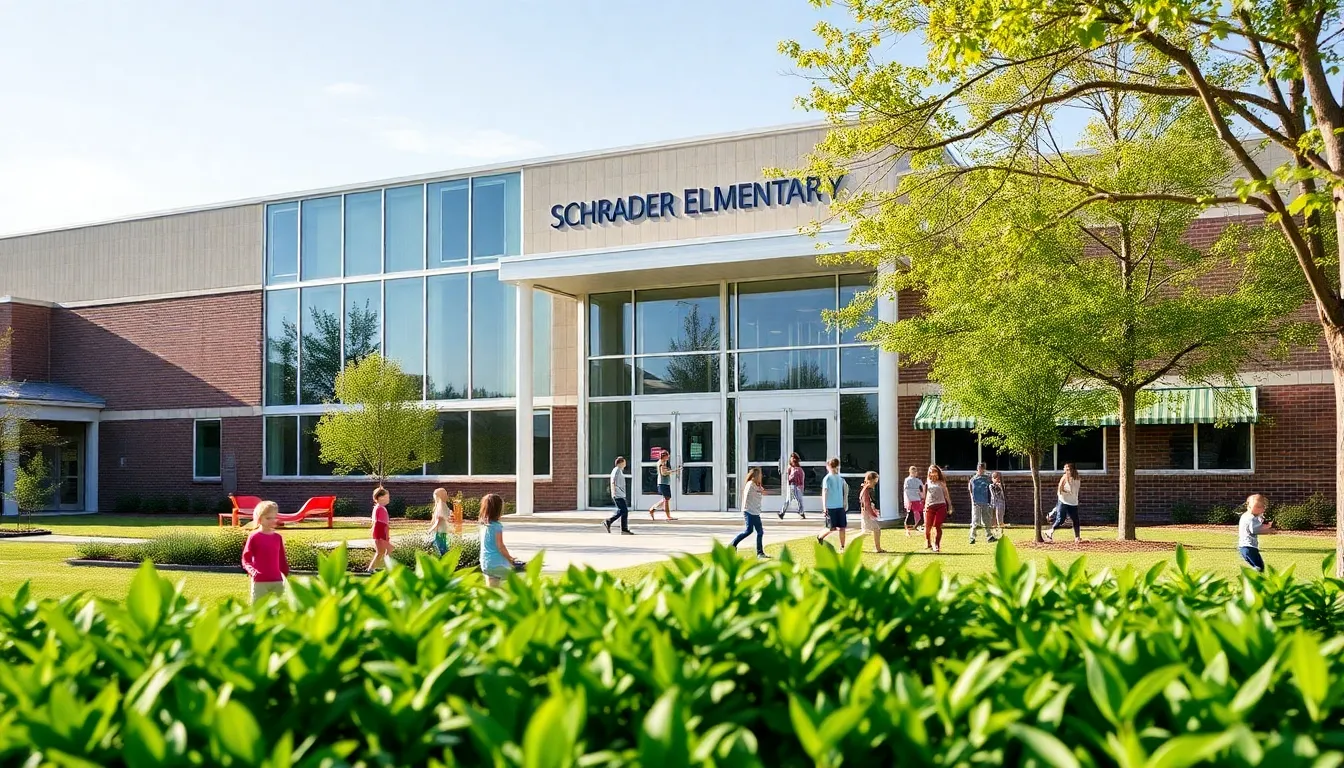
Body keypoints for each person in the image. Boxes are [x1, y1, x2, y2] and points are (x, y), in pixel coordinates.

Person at [241, 500, 288, 603]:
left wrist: (286, 575)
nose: (272, 520)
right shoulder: (254, 536)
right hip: (260, 581)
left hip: (277, 582)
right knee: (258, 612)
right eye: (268, 518)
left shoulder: (277, 537)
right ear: (259, 519)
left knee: (278, 612)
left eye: (274, 517)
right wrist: (253, 572)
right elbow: (246, 559)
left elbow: (282, 559)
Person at [480, 493, 522, 587]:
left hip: (485, 564)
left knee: (493, 590)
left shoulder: (484, 526)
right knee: (519, 582)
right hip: (497, 564)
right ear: (498, 510)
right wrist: (510, 558)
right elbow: (500, 546)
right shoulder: (497, 527)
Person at [731, 467, 770, 559]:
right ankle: (732, 545)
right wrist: (759, 490)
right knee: (749, 531)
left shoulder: (757, 485)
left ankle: (760, 553)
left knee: (760, 532)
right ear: (756, 476)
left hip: (756, 512)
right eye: (760, 475)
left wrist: (760, 489)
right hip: (749, 511)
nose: (761, 476)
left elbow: (763, 492)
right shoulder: (750, 484)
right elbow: (746, 494)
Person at [1045, 463, 1082, 543]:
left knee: (1076, 520)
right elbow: (1060, 490)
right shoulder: (1064, 477)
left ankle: (1077, 537)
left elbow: (1075, 490)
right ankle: (1050, 531)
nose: (1067, 471)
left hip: (1073, 502)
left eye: (1068, 469)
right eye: (1066, 470)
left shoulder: (1077, 478)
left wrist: (1072, 494)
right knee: (1061, 519)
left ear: (1073, 470)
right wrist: (1068, 492)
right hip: (1064, 500)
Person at [817, 458, 848, 549]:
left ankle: (842, 546)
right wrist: (824, 506)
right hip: (831, 507)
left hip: (839, 506)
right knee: (831, 528)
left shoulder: (840, 478)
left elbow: (844, 492)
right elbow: (824, 492)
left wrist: (844, 504)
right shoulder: (827, 478)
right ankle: (820, 537)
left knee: (842, 528)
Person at [1238, 493, 1273, 572]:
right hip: (1249, 547)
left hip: (1243, 547)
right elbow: (1254, 530)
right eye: (1257, 507)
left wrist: (1264, 524)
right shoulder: (1252, 518)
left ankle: (1253, 579)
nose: (1261, 509)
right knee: (1259, 567)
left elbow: (1255, 526)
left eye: (1261, 507)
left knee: (1258, 567)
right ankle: (1252, 580)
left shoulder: (1245, 515)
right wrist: (1268, 530)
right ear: (1249, 506)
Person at [923, 465, 952, 553]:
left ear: (938, 472)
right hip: (930, 506)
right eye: (931, 471)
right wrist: (925, 507)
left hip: (941, 505)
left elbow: (946, 495)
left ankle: (936, 544)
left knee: (937, 525)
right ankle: (928, 542)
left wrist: (950, 506)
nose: (933, 473)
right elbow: (925, 496)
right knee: (928, 527)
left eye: (935, 471)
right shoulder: (927, 483)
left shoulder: (941, 483)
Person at [967, 463, 998, 545]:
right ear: (977, 469)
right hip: (976, 502)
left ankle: (989, 536)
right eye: (980, 468)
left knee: (986, 519)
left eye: (982, 469)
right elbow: (970, 489)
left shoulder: (987, 479)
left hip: (985, 501)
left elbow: (991, 488)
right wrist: (972, 499)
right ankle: (972, 537)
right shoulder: (973, 479)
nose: (981, 470)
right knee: (975, 520)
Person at [605, 456, 634, 535]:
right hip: (618, 494)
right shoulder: (616, 470)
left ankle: (622, 528)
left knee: (622, 511)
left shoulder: (619, 470)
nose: (625, 464)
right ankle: (611, 522)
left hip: (620, 494)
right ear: (620, 463)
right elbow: (613, 481)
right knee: (623, 511)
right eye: (624, 462)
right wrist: (614, 491)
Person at [367, 487, 393, 572]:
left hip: (380, 532)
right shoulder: (380, 508)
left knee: (383, 551)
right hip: (380, 532)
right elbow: (380, 524)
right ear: (381, 498)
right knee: (387, 550)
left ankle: (373, 568)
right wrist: (385, 536)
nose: (388, 499)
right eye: (387, 497)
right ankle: (384, 567)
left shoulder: (380, 507)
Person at [648, 450, 678, 521]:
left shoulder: (663, 462)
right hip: (663, 483)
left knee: (666, 498)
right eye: (667, 455)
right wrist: (674, 471)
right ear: (664, 456)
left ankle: (653, 509)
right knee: (666, 499)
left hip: (665, 483)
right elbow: (664, 473)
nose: (668, 457)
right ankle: (668, 516)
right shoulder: (661, 463)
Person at [860, 471, 886, 553]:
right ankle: (878, 548)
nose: (875, 484)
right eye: (874, 482)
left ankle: (878, 548)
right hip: (867, 514)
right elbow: (867, 504)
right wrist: (872, 513)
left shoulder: (866, 489)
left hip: (866, 513)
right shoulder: (866, 491)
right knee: (874, 530)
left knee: (869, 531)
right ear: (870, 480)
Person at [778, 452, 807, 520]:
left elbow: (801, 478)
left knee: (800, 499)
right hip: (792, 485)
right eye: (792, 458)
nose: (793, 460)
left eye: (794, 458)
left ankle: (801, 512)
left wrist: (801, 486)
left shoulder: (799, 469)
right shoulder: (790, 468)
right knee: (788, 499)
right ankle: (782, 513)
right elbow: (789, 477)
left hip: (798, 486)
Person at [428, 487, 451, 556]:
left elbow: (439, 519)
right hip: (443, 530)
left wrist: (431, 529)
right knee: (442, 546)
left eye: (435, 496)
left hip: (440, 531)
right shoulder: (444, 505)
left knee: (440, 548)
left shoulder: (441, 505)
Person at [903, 466, 925, 537]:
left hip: (918, 500)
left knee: (921, 515)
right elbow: (906, 491)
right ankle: (908, 531)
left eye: (915, 472)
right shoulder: (907, 480)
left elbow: (922, 489)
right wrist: (908, 500)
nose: (914, 473)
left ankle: (917, 527)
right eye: (913, 472)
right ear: (910, 472)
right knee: (910, 515)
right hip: (911, 501)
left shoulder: (918, 481)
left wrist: (922, 497)